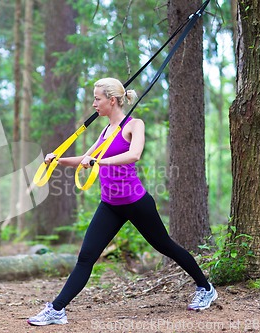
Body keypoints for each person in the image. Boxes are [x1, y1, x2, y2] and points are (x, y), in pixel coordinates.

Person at [27, 77, 217, 326]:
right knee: (86, 257)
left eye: (97, 99)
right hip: (110, 204)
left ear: (112, 100)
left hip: (136, 202)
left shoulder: (134, 125)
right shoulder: (105, 131)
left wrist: (99, 162)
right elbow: (87, 157)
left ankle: (205, 288)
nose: (94, 104)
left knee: (166, 246)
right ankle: (56, 309)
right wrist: (57, 160)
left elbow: (134, 154)